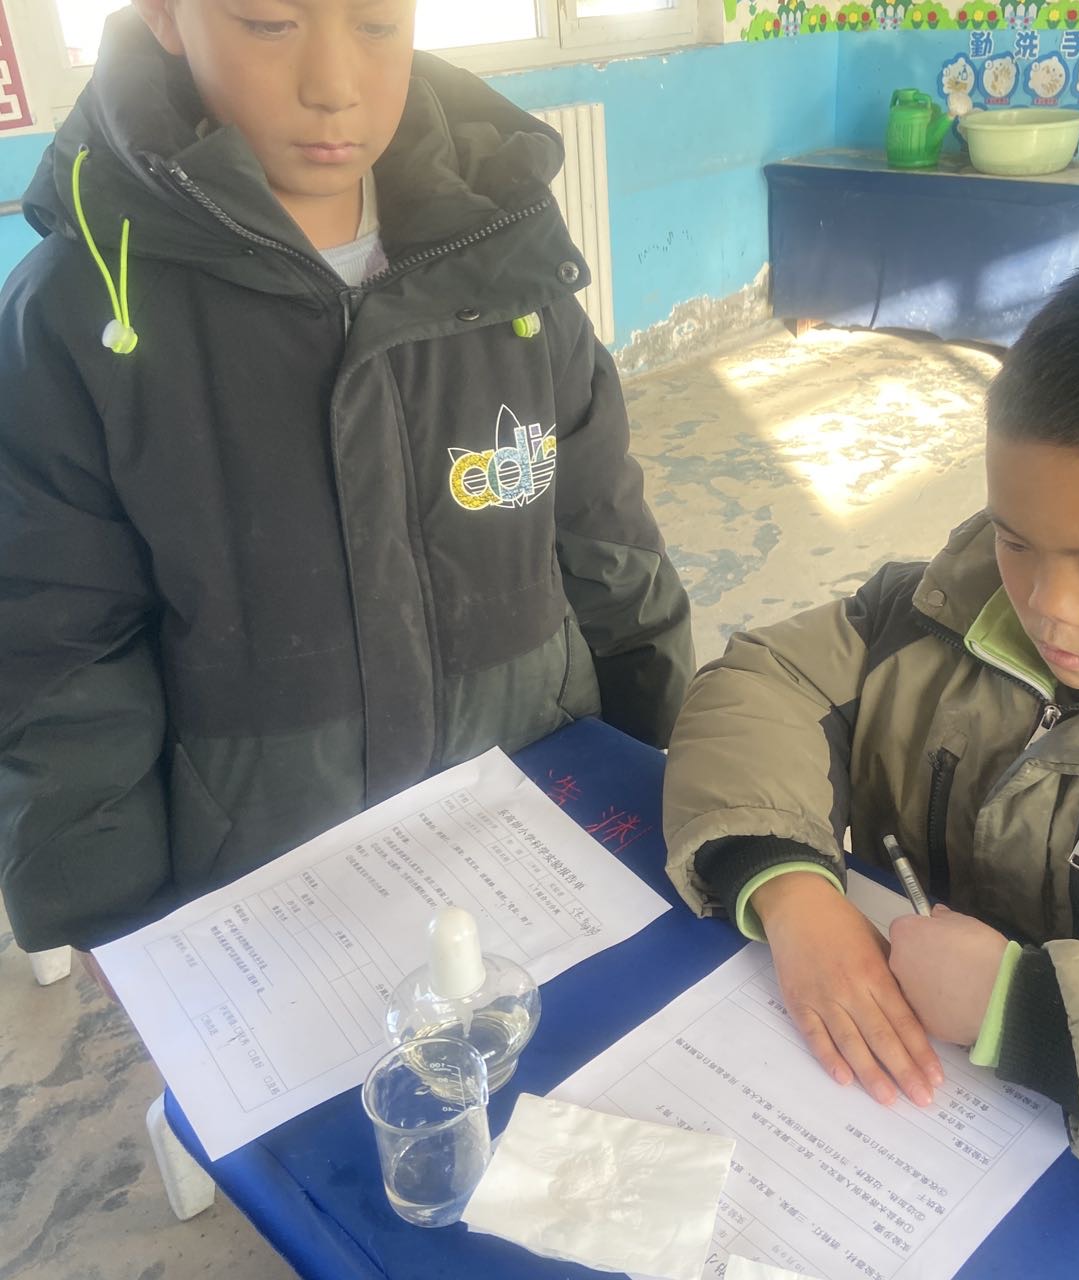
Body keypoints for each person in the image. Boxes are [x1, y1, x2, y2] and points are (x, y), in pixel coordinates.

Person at [0, 0, 693, 956]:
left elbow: (606, 534)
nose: (333, 87)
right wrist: (110, 918)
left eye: (376, 25)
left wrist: (664, 748)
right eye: (267, 23)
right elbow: (62, 647)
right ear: (165, 15)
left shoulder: (505, 254)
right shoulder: (79, 313)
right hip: (268, 876)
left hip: (534, 812)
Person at [662, 241, 1079, 1199]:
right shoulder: (931, 613)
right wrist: (789, 887)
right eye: (1014, 537)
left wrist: (1021, 1008)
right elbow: (767, 680)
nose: (1047, 605)